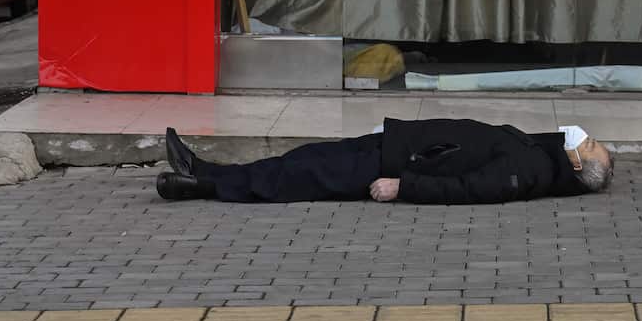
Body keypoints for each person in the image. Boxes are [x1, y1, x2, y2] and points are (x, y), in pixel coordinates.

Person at [156, 119, 613, 204]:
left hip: (396, 164)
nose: (586, 137)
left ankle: (203, 182)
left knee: (299, 176)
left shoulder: (532, 170)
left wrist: (404, 186)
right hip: (396, 145)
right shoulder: (540, 153)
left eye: (590, 144)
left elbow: (473, 189)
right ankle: (205, 174)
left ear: (580, 165)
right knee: (303, 161)